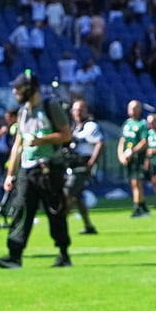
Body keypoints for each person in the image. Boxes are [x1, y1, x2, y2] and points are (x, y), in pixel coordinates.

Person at [0, 70, 73, 269]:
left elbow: (66, 135)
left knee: (55, 210)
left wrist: (41, 140)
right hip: (27, 170)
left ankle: (63, 252)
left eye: (18, 88)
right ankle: (14, 254)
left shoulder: (50, 106)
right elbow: (17, 145)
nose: (15, 91)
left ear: (30, 88)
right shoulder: (22, 113)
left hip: (48, 167)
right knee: (21, 210)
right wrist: (10, 174)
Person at [65, 99, 104, 234]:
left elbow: (100, 143)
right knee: (77, 197)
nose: (78, 113)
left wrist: (91, 163)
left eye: (81, 110)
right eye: (75, 110)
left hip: (83, 165)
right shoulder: (74, 127)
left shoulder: (90, 126)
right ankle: (88, 226)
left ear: (86, 111)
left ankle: (60, 222)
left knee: (68, 193)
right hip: (73, 164)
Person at [118, 100, 151, 217]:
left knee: (136, 182)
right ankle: (143, 206)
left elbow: (144, 142)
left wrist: (132, 151)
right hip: (128, 158)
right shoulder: (126, 124)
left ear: (139, 109)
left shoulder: (142, 124)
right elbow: (122, 140)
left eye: (134, 108)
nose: (131, 110)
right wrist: (121, 155)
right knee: (133, 183)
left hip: (138, 157)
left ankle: (137, 207)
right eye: (130, 107)